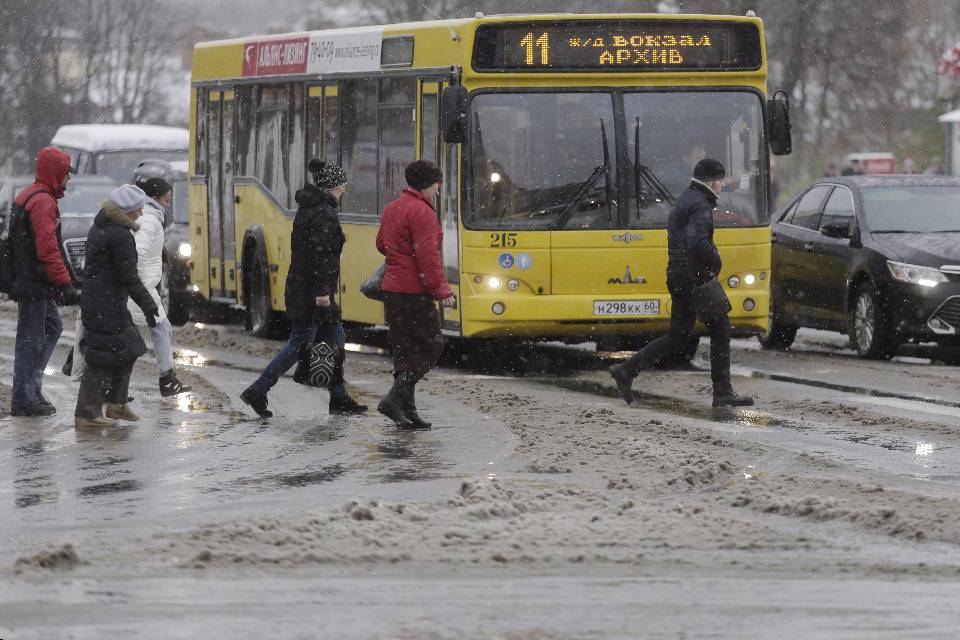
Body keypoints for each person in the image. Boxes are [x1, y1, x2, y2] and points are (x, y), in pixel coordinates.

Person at [609, 159, 753, 409]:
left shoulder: (686, 198)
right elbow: (696, 243)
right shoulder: (700, 205)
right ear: (711, 181)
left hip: (677, 274)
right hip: (693, 277)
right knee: (721, 329)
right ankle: (722, 392)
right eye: (721, 180)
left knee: (679, 334)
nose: (722, 185)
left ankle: (627, 369)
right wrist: (715, 260)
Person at [240, 160, 367, 418]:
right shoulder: (324, 214)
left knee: (335, 338)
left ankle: (339, 396)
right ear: (331, 187)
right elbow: (322, 257)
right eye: (341, 186)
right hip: (313, 293)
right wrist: (322, 292)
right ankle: (258, 390)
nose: (344, 191)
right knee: (300, 344)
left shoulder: (310, 209)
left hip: (303, 287)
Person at [375, 159, 456, 429]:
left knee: (405, 349)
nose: (438, 190)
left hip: (393, 291)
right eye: (436, 185)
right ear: (427, 184)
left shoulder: (392, 208)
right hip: (413, 291)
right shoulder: (422, 212)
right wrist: (442, 291)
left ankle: (407, 410)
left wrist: (399, 258)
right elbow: (427, 257)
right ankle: (395, 399)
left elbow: (381, 244)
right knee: (432, 346)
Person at [75, 185, 159, 428]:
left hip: (104, 302)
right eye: (138, 208)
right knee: (101, 357)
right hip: (105, 304)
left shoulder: (103, 227)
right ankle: (87, 414)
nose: (141, 212)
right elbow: (129, 277)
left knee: (130, 348)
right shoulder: (119, 235)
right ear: (126, 210)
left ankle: (116, 404)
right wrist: (148, 304)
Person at [8, 147, 80, 417]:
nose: (68, 180)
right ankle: (24, 397)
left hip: (31, 279)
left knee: (51, 327)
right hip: (34, 282)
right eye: (66, 174)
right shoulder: (43, 202)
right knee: (30, 339)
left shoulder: (32, 195)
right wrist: (65, 284)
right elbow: (47, 249)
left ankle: (31, 389)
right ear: (55, 173)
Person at [130, 177, 191, 396]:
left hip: (140, 285)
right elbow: (136, 252)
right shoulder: (149, 218)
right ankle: (166, 379)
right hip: (140, 286)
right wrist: (133, 278)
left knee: (124, 336)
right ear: (155, 198)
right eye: (167, 199)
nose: (169, 204)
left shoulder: (149, 215)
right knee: (149, 332)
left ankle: (166, 379)